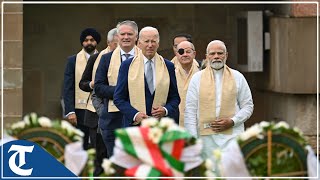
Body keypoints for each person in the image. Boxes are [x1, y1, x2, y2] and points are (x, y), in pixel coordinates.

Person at [184, 40, 254, 159]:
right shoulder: (197, 79)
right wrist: (192, 140)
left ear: (226, 55)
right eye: (212, 54)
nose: (216, 56)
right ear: (206, 57)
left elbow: (248, 106)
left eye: (220, 53)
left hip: (232, 136)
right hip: (206, 139)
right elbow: (190, 111)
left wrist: (233, 121)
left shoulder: (238, 77)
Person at [114, 26, 180, 127]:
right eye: (146, 41)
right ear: (139, 43)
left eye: (153, 41)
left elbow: (175, 98)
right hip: (134, 126)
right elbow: (119, 98)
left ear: (158, 44)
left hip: (161, 126)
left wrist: (165, 110)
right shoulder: (127, 65)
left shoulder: (168, 66)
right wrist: (135, 115)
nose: (150, 45)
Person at [94, 20, 139, 157]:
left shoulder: (144, 58)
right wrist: (122, 92)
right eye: (122, 34)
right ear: (117, 37)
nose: (126, 37)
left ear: (136, 37)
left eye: (130, 34)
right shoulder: (106, 59)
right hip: (112, 121)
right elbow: (99, 87)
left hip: (137, 118)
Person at [78, 27, 118, 175]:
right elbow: (83, 83)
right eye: (116, 43)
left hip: (119, 113)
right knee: (100, 157)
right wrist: (93, 84)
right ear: (109, 42)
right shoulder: (97, 58)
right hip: (96, 114)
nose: (119, 47)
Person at [63, 27, 101, 150]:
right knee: (80, 145)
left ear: (97, 42)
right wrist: (70, 111)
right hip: (80, 110)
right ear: (82, 42)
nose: (89, 42)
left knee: (98, 144)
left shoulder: (104, 58)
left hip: (99, 108)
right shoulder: (72, 60)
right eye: (86, 40)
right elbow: (68, 87)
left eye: (92, 40)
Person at [175, 41, 199, 127]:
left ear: (194, 54)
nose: (184, 54)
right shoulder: (170, 72)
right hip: (176, 121)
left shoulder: (203, 71)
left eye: (188, 51)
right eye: (181, 52)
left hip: (198, 120)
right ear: (177, 55)